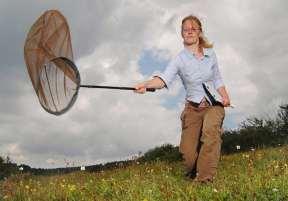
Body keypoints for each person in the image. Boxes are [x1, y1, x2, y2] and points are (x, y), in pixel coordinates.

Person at [134, 15, 231, 183]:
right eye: (186, 29)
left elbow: (217, 78)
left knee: (210, 131)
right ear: (182, 34)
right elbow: (163, 80)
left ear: (200, 32)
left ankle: (204, 180)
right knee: (188, 156)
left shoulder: (210, 54)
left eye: (194, 28)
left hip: (213, 105)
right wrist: (145, 84)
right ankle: (196, 169)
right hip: (192, 109)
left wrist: (225, 96)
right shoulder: (179, 59)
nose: (190, 31)